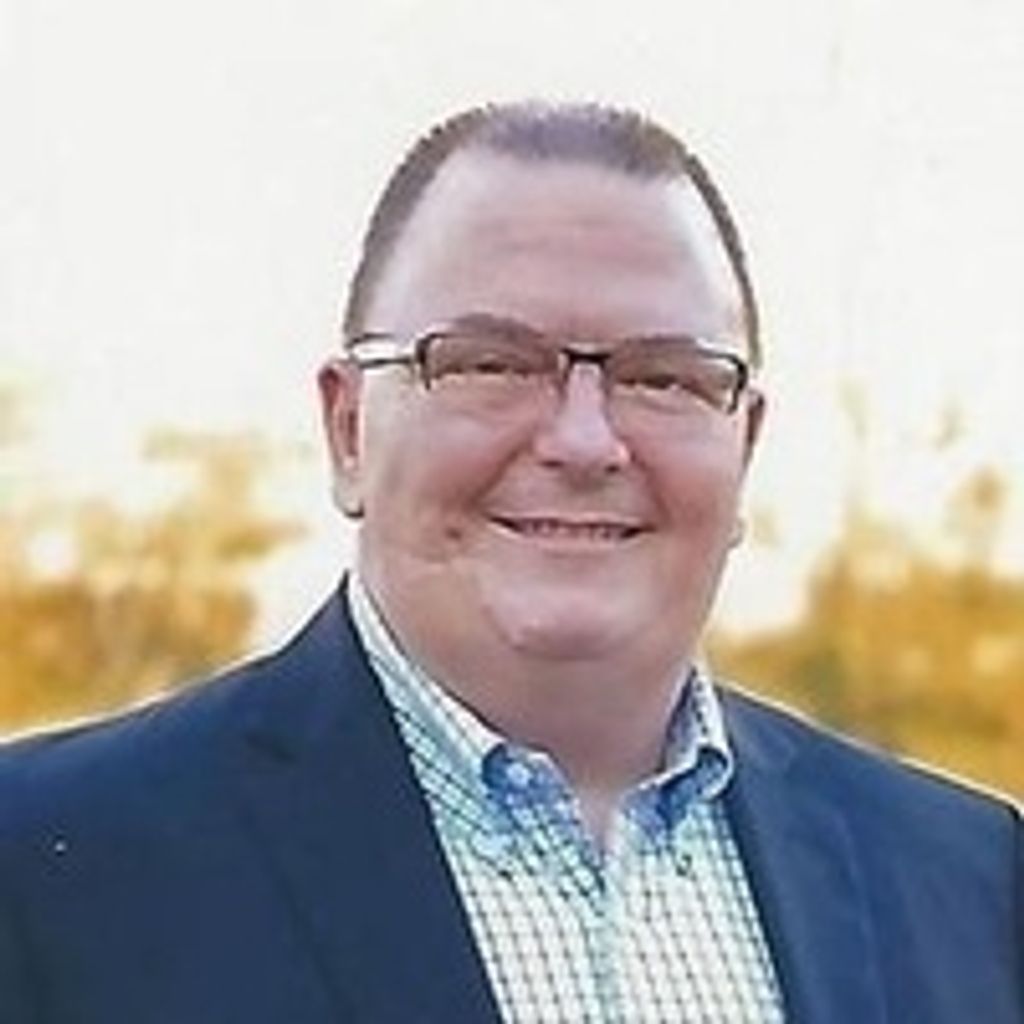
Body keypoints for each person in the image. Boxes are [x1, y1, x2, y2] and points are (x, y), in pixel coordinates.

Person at [0, 101, 1020, 1024]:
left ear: (744, 444)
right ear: (349, 429)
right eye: (490, 364)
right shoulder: (48, 867)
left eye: (663, 377)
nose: (583, 441)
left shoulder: (971, 883)